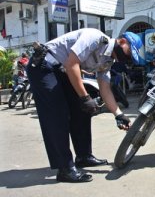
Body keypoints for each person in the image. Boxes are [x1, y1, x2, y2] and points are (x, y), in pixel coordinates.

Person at [27, 28, 143, 183]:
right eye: (129, 53)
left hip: (62, 71)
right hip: (44, 66)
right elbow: (72, 64)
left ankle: (83, 156)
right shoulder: (95, 38)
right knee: (57, 116)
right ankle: (65, 169)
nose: (127, 58)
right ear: (122, 41)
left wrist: (119, 115)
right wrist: (85, 97)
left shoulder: (108, 61)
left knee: (81, 111)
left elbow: (105, 88)